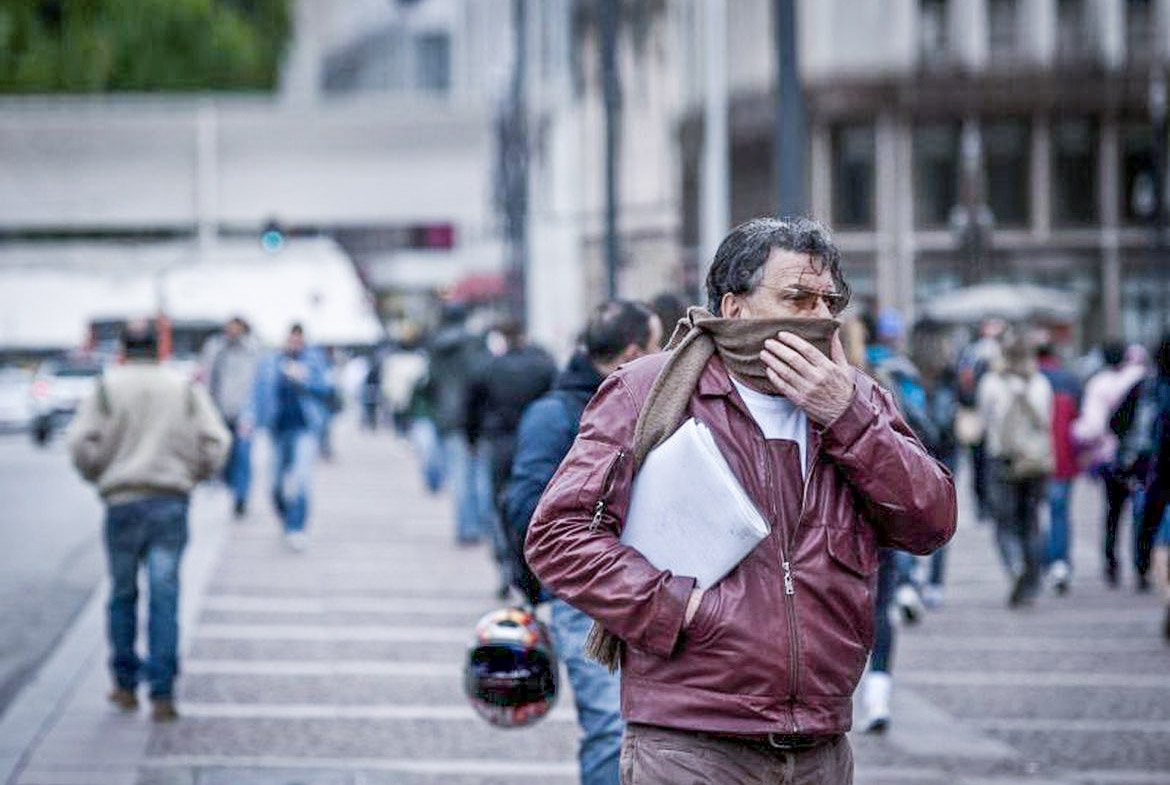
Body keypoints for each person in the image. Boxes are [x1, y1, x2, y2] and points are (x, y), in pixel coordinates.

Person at [525, 217, 956, 783]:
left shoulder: (861, 396)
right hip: (692, 739)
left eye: (830, 300)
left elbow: (931, 520)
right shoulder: (647, 390)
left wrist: (848, 418)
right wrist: (680, 609)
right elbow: (558, 535)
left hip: (821, 742)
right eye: (796, 298)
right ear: (733, 307)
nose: (820, 317)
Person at [503, 300, 661, 785]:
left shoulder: (643, 404)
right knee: (612, 729)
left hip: (644, 588)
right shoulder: (556, 414)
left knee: (647, 732)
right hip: (585, 595)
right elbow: (525, 508)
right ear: (633, 353)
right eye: (659, 348)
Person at [67, 322, 230, 721]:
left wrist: (99, 475)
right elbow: (218, 441)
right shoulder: (182, 388)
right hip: (170, 501)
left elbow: (78, 442)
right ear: (159, 350)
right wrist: (196, 474)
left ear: (123, 350)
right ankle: (162, 691)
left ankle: (124, 685)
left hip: (122, 501)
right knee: (166, 595)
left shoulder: (107, 388)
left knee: (122, 593)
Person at [466, 317, 557, 597]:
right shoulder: (544, 366)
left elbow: (472, 406)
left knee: (499, 509)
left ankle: (506, 568)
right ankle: (535, 568)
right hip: (535, 443)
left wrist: (472, 437)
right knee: (536, 505)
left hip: (499, 443)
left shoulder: (490, 367)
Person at [978, 334, 1054, 607]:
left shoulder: (991, 383)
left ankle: (1015, 566)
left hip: (1003, 459)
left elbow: (984, 421)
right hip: (1035, 462)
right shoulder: (1041, 383)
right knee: (1031, 521)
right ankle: (1032, 581)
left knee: (1004, 522)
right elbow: (1047, 420)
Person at [247, 324, 335, 551]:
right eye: (291, 339)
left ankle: (297, 526)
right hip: (277, 429)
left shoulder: (314, 361)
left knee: (301, 480)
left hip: (305, 428)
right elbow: (257, 391)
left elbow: (328, 389)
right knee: (274, 484)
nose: (294, 343)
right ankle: (286, 517)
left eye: (298, 340)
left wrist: (303, 378)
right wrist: (250, 418)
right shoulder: (270, 361)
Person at [1072, 341, 1148, 587]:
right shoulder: (1141, 378)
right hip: (1143, 457)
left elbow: (1091, 427)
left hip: (1110, 458)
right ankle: (1142, 564)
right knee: (1142, 512)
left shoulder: (1099, 383)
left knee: (1113, 512)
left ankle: (1111, 562)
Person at [425, 303, 494, 545]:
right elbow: (486, 376)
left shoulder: (435, 346)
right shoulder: (476, 342)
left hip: (449, 416)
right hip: (478, 414)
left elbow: (431, 383)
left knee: (459, 475)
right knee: (481, 474)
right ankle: (485, 525)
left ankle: (466, 528)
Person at [198, 316, 261, 518]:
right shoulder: (215, 347)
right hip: (218, 410)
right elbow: (206, 375)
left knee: (243, 456)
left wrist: (253, 411)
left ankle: (240, 497)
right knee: (223, 454)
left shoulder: (252, 350)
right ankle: (225, 484)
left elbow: (256, 383)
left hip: (244, 412)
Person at [1125, 334, 1170, 611]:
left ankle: (1160, 585)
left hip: (1157, 470)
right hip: (1156, 468)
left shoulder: (1151, 387)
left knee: (1156, 529)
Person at [1036, 344, 1082, 594]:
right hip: (1064, 458)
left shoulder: (1031, 381)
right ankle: (1060, 562)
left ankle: (1044, 560)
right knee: (1060, 512)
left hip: (1036, 458)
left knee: (1036, 513)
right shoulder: (1070, 380)